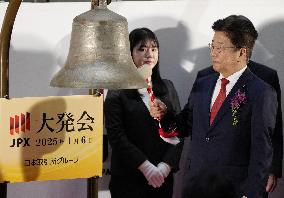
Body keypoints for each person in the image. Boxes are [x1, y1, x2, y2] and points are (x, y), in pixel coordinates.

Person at [150, 15, 278, 198]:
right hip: (195, 187)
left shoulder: (261, 92)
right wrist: (164, 115)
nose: (213, 52)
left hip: (233, 189)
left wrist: (251, 194)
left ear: (242, 52)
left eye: (220, 47)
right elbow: (185, 124)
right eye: (213, 45)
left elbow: (262, 153)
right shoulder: (203, 82)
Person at [104, 27, 183, 198]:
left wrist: (165, 166)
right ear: (129, 54)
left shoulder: (167, 87)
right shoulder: (117, 90)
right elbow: (116, 136)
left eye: (153, 49)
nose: (149, 54)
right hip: (128, 179)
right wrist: (146, 167)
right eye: (142, 49)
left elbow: (178, 130)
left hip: (162, 178)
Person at [196, 60, 283, 196]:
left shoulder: (266, 75)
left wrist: (272, 169)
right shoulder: (205, 75)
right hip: (207, 175)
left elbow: (275, 126)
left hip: (249, 172)